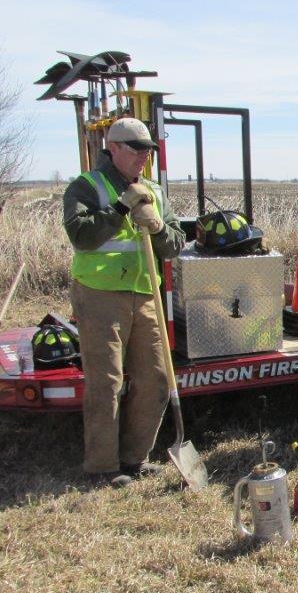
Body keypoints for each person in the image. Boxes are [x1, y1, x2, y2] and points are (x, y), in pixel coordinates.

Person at [62, 117, 186, 487]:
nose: (143, 158)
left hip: (144, 292)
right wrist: (119, 209)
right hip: (100, 293)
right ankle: (102, 466)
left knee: (157, 378)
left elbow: (176, 244)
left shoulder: (154, 190)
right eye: (136, 150)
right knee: (107, 380)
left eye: (148, 151)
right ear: (113, 148)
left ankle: (135, 458)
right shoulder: (87, 187)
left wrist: (159, 227)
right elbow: (81, 236)